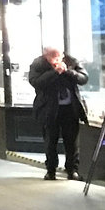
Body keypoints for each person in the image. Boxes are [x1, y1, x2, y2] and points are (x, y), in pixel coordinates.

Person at [28, 46, 87, 181]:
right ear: (45, 56)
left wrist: (68, 72)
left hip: (70, 108)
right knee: (50, 141)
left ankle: (72, 170)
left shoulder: (71, 61)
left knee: (72, 142)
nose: (56, 60)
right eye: (52, 57)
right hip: (49, 109)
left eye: (59, 56)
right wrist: (55, 72)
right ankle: (51, 170)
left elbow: (84, 78)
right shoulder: (38, 64)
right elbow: (36, 82)